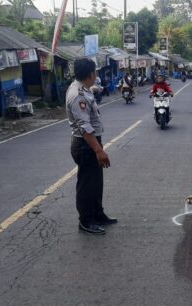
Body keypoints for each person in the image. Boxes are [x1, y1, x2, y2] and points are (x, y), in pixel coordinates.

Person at [66, 58, 117, 235]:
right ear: (91, 74)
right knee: (87, 184)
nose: (96, 74)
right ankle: (86, 221)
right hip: (85, 144)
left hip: (91, 142)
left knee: (96, 182)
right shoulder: (77, 95)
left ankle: (97, 214)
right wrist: (99, 150)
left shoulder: (83, 89)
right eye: (95, 72)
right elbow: (85, 127)